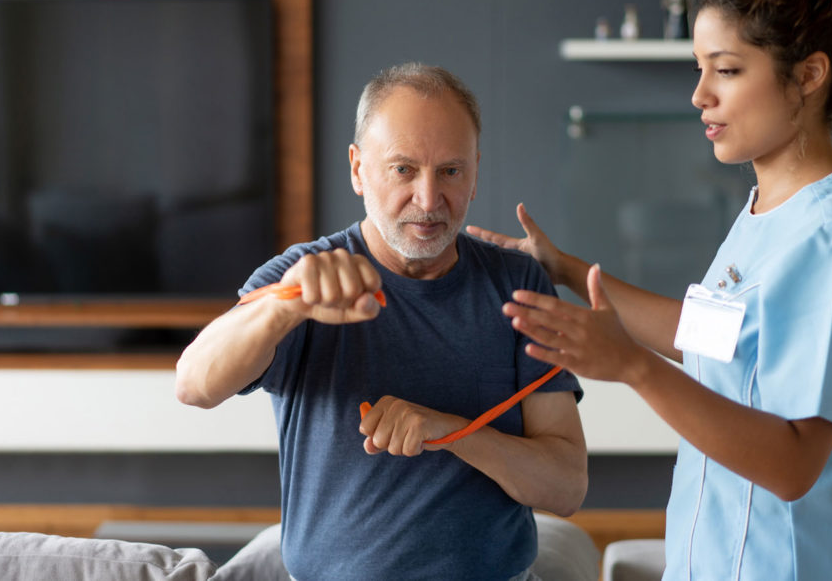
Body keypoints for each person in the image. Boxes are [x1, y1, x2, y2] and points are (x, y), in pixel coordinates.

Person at [469, 0, 832, 580]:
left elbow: (792, 466)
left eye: (726, 70)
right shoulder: (765, 208)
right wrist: (562, 268)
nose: (700, 94)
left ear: (809, 76)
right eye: (698, 68)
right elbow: (714, 336)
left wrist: (632, 369)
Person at [175, 63, 588, 581]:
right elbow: (194, 384)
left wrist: (451, 432)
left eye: (451, 171)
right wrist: (285, 306)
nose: (429, 198)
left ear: (476, 172)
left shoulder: (518, 283)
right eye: (403, 169)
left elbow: (566, 487)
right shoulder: (300, 276)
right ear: (357, 169)